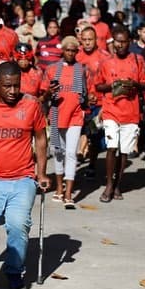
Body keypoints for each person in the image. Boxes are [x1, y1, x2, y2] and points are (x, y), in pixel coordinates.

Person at [0, 62, 50, 289]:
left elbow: (41, 139)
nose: (13, 91)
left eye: (16, 86)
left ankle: (14, 269)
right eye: (8, 86)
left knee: (17, 225)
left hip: (22, 177)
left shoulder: (31, 105)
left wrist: (42, 173)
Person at [95, 27, 145, 201]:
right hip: (111, 109)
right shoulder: (106, 62)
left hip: (131, 112)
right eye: (117, 41)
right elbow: (98, 85)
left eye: (123, 41)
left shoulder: (138, 60)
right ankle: (109, 186)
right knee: (112, 147)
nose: (120, 45)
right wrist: (113, 85)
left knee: (124, 151)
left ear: (129, 42)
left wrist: (133, 84)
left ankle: (118, 184)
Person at [49, 36, 88, 207]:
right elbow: (45, 92)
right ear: (63, 50)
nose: (71, 53)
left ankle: (68, 193)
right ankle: (59, 188)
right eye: (68, 50)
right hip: (57, 115)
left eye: (74, 50)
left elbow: (85, 93)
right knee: (58, 152)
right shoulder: (52, 69)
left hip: (75, 116)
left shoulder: (81, 69)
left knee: (71, 153)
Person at [77, 25, 110, 178]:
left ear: (96, 40)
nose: (88, 42)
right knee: (78, 132)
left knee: (94, 136)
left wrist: (105, 104)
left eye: (90, 39)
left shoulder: (105, 57)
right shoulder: (76, 56)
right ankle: (73, 162)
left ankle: (92, 164)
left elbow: (109, 82)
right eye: (84, 40)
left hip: (98, 103)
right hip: (78, 103)